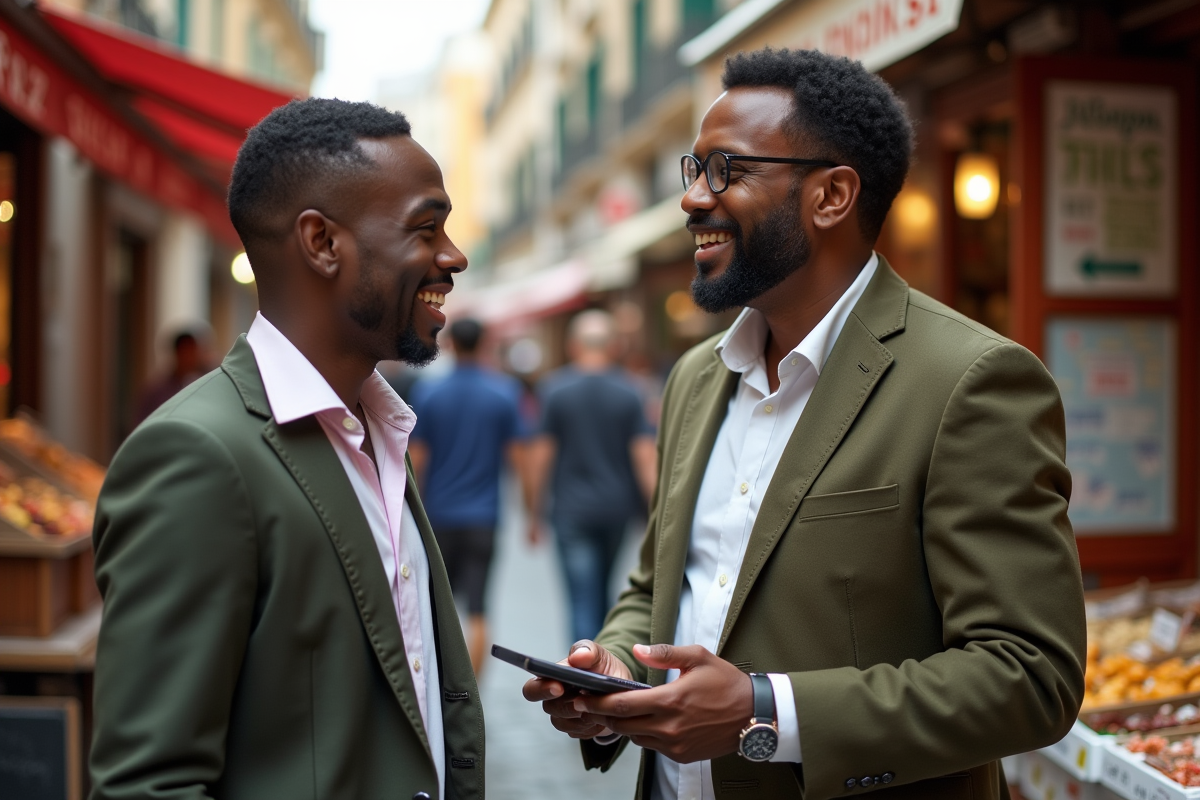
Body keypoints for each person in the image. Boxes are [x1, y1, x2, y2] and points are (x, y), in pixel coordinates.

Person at [523, 48, 1085, 800]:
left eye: (728, 171)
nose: (693, 199)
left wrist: (767, 713)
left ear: (831, 196)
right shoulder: (697, 377)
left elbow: (1031, 676)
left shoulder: (971, 382)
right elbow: (660, 582)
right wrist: (620, 666)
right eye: (694, 169)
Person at [90, 99, 483, 800]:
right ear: (322, 243)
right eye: (427, 229)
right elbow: (148, 784)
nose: (453, 256)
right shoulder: (196, 456)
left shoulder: (375, 430)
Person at [526, 309, 658, 645]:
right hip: (617, 508)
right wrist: (656, 514)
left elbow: (539, 457)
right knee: (603, 590)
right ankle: (604, 662)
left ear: (573, 346)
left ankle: (582, 672)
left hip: (571, 510)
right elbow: (645, 457)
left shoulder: (554, 389)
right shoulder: (631, 391)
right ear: (614, 346)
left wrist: (532, 512)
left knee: (581, 595)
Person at [409, 317, 526, 674]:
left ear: (452, 345)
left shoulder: (428, 393)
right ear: (485, 344)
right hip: (483, 516)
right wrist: (534, 513)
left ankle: (442, 686)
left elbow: (418, 459)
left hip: (438, 517)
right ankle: (472, 694)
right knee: (478, 608)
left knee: (436, 607)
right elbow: (520, 457)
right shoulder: (504, 392)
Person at [135, 329, 210, 423]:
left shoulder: (199, 385)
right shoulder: (156, 390)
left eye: (194, 352)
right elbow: (140, 423)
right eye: (187, 352)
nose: (192, 358)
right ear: (177, 353)